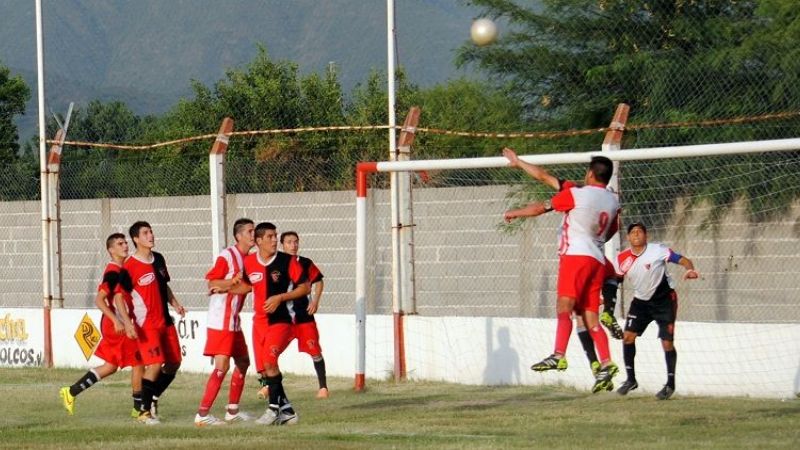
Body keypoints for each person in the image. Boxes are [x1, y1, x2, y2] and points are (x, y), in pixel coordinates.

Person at [503, 147, 620, 392]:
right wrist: (519, 162)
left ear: (589, 173)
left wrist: (515, 212)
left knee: (563, 306)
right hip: (597, 261)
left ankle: (558, 354)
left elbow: (539, 208)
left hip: (575, 257)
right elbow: (612, 230)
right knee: (590, 318)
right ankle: (607, 363)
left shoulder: (577, 195)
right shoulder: (611, 199)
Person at [230, 222, 309, 425]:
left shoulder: (286, 261)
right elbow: (247, 286)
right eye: (271, 237)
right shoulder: (249, 262)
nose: (275, 240)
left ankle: (273, 410)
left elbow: (305, 287)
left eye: (276, 236)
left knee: (269, 361)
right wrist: (223, 289)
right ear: (259, 241)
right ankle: (287, 410)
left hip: (282, 320)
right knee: (265, 370)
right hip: (260, 323)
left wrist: (280, 298)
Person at [59, 233, 143, 416]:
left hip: (116, 324)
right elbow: (99, 300)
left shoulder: (123, 269)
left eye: (125, 243)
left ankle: (71, 392)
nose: (125, 246)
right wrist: (116, 320)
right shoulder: (113, 272)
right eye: (120, 244)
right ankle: (139, 409)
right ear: (111, 250)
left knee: (111, 366)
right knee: (139, 362)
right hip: (117, 326)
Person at [615, 221, 699, 400]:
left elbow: (682, 259)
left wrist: (690, 269)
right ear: (628, 237)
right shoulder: (622, 258)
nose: (636, 234)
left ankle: (670, 384)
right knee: (628, 336)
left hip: (664, 301)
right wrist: (604, 298)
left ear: (646, 236)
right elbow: (616, 280)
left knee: (666, 342)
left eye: (640, 231)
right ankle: (631, 379)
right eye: (633, 232)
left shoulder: (657, 250)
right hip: (641, 302)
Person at [115, 221, 186, 424]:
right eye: (145, 233)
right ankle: (144, 412)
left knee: (173, 364)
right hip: (146, 325)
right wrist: (127, 323)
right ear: (136, 239)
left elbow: (165, 288)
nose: (151, 235)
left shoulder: (159, 259)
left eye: (151, 231)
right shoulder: (129, 266)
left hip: (166, 321)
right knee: (154, 365)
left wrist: (175, 304)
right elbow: (119, 297)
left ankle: (152, 397)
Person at [194, 218, 255, 426]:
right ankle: (202, 415)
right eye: (249, 231)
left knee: (243, 362)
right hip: (221, 320)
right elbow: (212, 282)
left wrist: (232, 286)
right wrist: (230, 282)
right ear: (238, 236)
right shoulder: (227, 256)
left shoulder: (248, 260)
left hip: (233, 321)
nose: (253, 235)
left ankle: (232, 410)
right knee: (222, 366)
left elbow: (246, 288)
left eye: (254, 231)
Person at [280, 231, 328, 399]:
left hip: (303, 316)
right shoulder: (276, 264)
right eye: (289, 242)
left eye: (295, 242)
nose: (293, 245)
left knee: (314, 349)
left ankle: (323, 388)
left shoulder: (306, 263)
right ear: (282, 245)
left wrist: (315, 300)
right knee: (270, 353)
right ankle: (267, 386)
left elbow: (319, 281)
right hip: (282, 317)